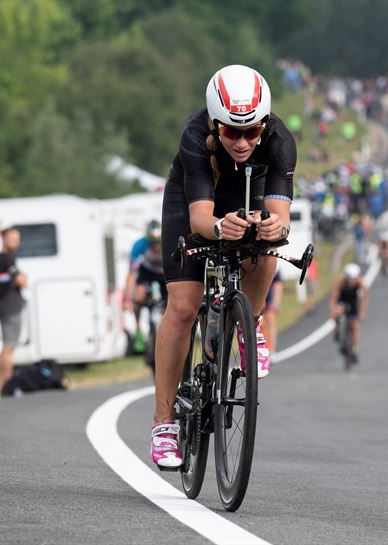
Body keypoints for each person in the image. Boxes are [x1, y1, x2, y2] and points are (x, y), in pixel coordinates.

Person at [149, 64, 296, 469]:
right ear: (215, 124)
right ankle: (163, 424)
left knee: (270, 239)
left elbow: (281, 215)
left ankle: (251, 323)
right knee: (182, 305)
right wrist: (218, 226)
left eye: (253, 131)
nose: (244, 141)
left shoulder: (280, 140)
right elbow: (199, 219)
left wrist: (271, 225)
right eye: (232, 131)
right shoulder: (194, 137)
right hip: (196, 203)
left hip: (250, 193)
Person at [124, 219, 167, 353]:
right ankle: (138, 329)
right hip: (146, 271)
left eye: (158, 243)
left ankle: (165, 331)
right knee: (138, 297)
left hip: (163, 272)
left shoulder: (167, 241)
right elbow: (131, 274)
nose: (156, 247)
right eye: (153, 244)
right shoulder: (140, 245)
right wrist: (128, 299)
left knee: (169, 301)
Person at [0, 227, 27, 391]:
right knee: (8, 347)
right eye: (13, 238)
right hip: (10, 307)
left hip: (4, 305)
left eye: (18, 239)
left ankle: (3, 384)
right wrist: (23, 278)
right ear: (4, 239)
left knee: (8, 347)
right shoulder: (6, 259)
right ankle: (5, 384)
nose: (17, 242)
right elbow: (21, 281)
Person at [329, 263, 369, 363]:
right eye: (350, 279)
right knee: (338, 312)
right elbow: (334, 298)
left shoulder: (360, 282)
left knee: (354, 325)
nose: (352, 282)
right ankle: (338, 328)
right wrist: (333, 311)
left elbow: (365, 298)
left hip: (353, 300)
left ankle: (354, 349)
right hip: (342, 298)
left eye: (354, 279)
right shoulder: (341, 281)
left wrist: (362, 311)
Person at [260, 270, 283, 354]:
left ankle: (271, 349)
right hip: (258, 287)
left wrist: (275, 304)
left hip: (269, 291)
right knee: (260, 322)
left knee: (270, 318)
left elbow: (278, 285)